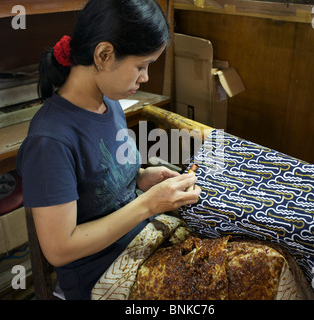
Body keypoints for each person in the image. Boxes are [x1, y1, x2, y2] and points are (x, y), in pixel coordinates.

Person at [16, 0, 201, 300]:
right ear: (103, 55)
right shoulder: (49, 141)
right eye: (141, 66)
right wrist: (149, 204)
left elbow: (101, 177)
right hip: (100, 273)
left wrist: (141, 178)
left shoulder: (109, 102)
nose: (145, 78)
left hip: (141, 238)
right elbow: (59, 249)